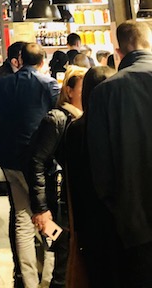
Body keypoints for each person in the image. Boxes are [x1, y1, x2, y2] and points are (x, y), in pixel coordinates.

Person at [0, 43, 60, 288]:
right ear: (43, 62)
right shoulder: (48, 85)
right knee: (47, 215)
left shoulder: (2, 84)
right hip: (38, 161)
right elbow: (58, 118)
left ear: (19, 60)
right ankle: (52, 276)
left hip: (9, 159)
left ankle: (29, 281)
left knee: (22, 220)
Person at [87, 22, 152, 288]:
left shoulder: (105, 92)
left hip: (133, 219)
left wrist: (117, 207)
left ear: (118, 52)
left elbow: (100, 165)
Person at [27, 65, 87, 288]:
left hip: (75, 206)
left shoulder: (85, 119)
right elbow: (36, 163)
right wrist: (41, 208)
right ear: (69, 91)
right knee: (63, 265)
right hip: (60, 206)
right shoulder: (58, 119)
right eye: (83, 88)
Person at [64, 65, 116, 288]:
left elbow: (72, 176)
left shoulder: (77, 128)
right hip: (115, 216)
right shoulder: (116, 123)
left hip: (88, 217)